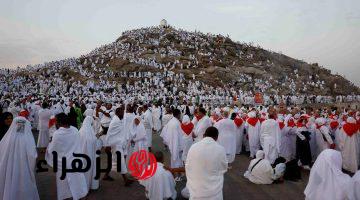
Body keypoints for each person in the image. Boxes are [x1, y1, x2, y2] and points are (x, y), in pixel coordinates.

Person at [45, 113, 88, 200]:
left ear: (59, 122)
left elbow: (53, 150)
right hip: (76, 161)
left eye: (56, 121)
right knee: (78, 183)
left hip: (64, 164)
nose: (55, 123)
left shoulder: (57, 134)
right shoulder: (75, 129)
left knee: (64, 186)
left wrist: (49, 145)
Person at [0, 116, 39, 200]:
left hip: (9, 169)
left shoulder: (8, 138)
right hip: (24, 168)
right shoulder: (28, 139)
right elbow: (32, 156)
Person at [186, 127, 228, 199]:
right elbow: (224, 168)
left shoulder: (193, 147)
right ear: (217, 137)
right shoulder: (220, 149)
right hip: (214, 192)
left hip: (196, 189)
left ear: (203, 135)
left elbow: (188, 165)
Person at [105, 106, 132, 186]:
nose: (123, 114)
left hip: (118, 144)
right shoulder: (115, 121)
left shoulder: (119, 119)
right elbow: (110, 134)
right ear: (117, 113)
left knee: (113, 161)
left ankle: (106, 175)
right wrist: (107, 145)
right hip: (115, 145)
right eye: (122, 113)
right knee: (121, 161)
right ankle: (125, 180)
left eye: (123, 112)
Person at [79, 116, 99, 190]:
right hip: (91, 156)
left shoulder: (80, 131)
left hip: (81, 155)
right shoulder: (91, 133)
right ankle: (90, 185)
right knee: (90, 171)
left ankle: (83, 188)